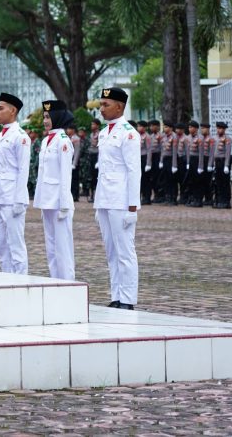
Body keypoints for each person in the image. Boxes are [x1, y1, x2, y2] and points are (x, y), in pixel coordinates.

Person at [94, 87, 141, 310]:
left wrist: (132, 207)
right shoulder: (104, 133)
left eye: (106, 105)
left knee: (125, 251)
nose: (101, 109)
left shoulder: (129, 134)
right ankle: (116, 295)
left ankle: (128, 299)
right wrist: (98, 203)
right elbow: (103, 170)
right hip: (105, 198)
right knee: (111, 251)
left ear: (119, 107)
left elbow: (133, 171)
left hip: (121, 200)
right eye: (101, 105)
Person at [34, 100, 75, 280]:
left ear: (57, 117)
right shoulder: (46, 141)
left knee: (63, 247)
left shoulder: (63, 142)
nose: (45, 121)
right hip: (47, 201)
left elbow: (66, 175)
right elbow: (42, 173)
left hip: (59, 202)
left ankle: (68, 284)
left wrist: (64, 204)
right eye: (44, 117)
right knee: (51, 247)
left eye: (48, 117)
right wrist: (40, 201)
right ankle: (55, 281)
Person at [0, 92, 31, 275]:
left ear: (13, 111)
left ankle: (21, 281)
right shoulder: (0, 136)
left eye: (1, 108)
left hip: (12, 198)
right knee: (2, 244)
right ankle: (6, 279)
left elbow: (23, 170)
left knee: (16, 244)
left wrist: (20, 200)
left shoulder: (20, 137)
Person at [212, 122, 232, 209]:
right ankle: (219, 200)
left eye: (221, 128)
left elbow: (228, 153)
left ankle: (226, 201)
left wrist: (226, 165)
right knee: (218, 182)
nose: (219, 130)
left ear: (224, 130)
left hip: (224, 161)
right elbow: (213, 152)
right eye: (218, 128)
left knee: (225, 182)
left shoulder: (227, 139)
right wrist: (212, 163)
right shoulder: (214, 138)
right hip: (217, 162)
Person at [159, 122, 178, 205]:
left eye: (166, 127)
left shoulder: (174, 137)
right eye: (164, 127)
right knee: (166, 179)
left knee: (172, 180)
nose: (164, 128)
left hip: (171, 159)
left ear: (171, 128)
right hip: (165, 159)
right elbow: (162, 150)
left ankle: (173, 198)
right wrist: (161, 161)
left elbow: (174, 152)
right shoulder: (163, 136)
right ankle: (167, 197)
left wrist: (174, 165)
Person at [66, 122, 81, 201]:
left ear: (73, 130)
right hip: (68, 160)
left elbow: (77, 151)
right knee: (69, 179)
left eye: (69, 129)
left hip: (74, 161)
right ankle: (71, 194)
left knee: (75, 179)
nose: (68, 130)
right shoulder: (67, 138)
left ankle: (75, 195)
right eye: (67, 129)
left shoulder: (76, 139)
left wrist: (74, 163)